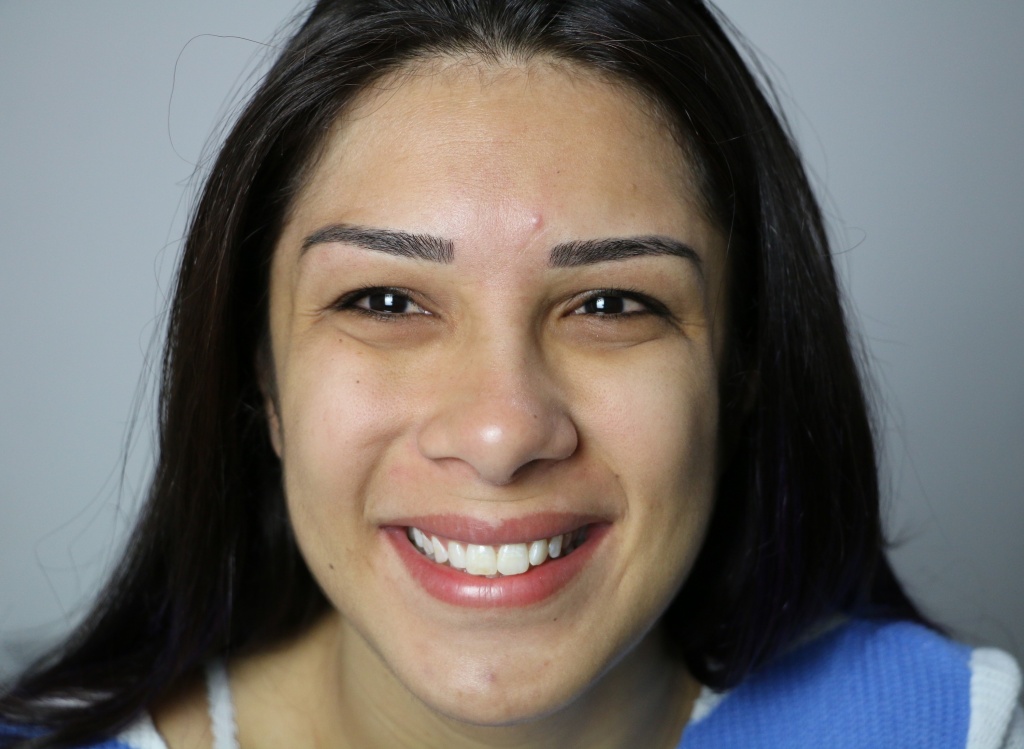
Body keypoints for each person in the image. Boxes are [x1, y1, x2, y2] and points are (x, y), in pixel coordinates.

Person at [1, 0, 1021, 747]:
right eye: (385, 301)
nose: (500, 433)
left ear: (740, 367)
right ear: (262, 375)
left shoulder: (957, 728)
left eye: (611, 304)